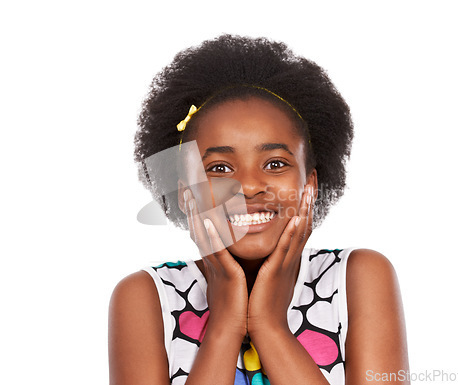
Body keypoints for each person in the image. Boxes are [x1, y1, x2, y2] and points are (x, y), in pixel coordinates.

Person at [108, 34, 410, 385]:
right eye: (219, 168)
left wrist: (269, 325)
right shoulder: (146, 298)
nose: (249, 186)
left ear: (309, 186)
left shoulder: (358, 278)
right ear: (186, 194)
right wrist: (224, 325)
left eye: (275, 163)